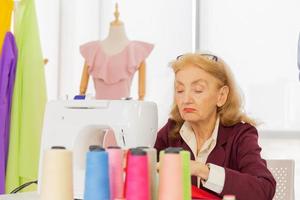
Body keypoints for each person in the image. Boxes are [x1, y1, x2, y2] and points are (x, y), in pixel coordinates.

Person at [154, 53, 276, 200]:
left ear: (221, 96)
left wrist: (201, 170)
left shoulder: (240, 135)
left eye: (198, 90)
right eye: (180, 90)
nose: (185, 99)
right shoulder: (171, 131)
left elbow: (263, 190)